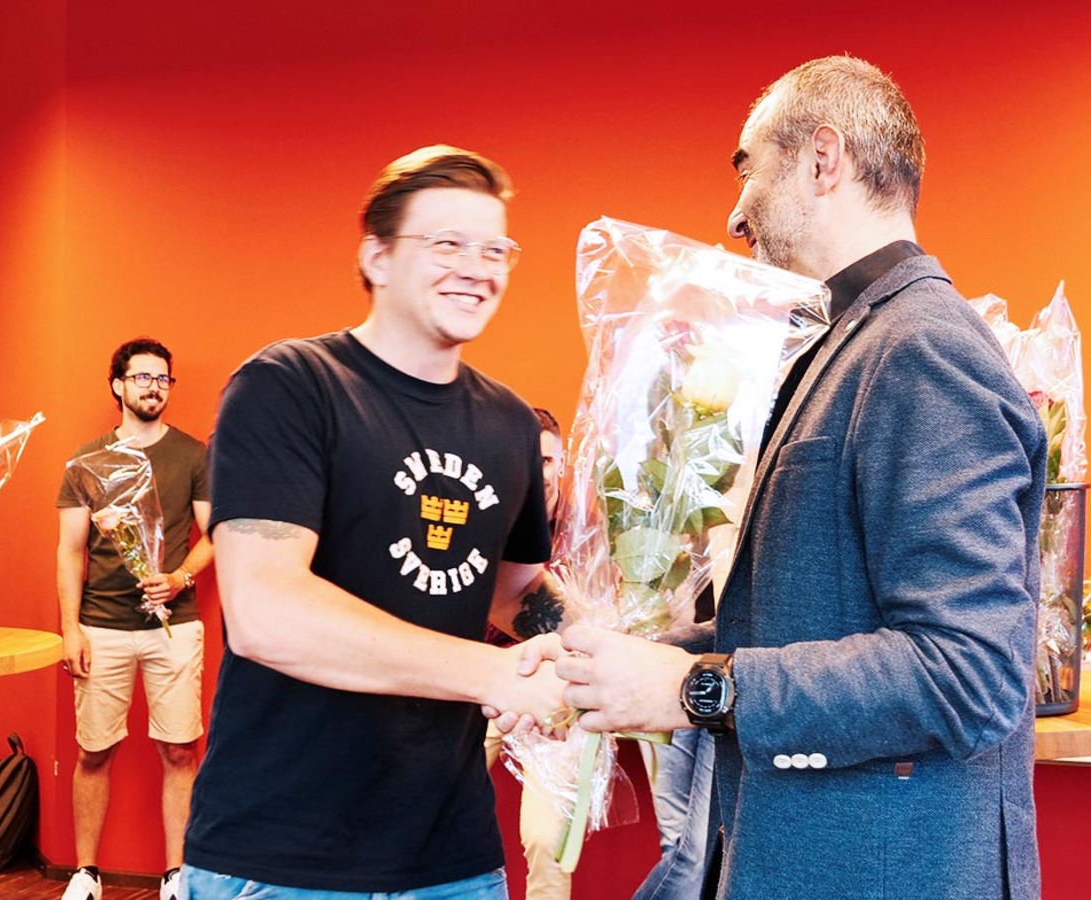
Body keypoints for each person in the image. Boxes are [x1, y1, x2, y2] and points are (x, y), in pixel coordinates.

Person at [541, 56, 1046, 899]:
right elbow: (804, 621)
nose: (735, 213)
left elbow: (970, 669)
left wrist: (698, 689)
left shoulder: (921, 348)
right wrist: (623, 664)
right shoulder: (856, 341)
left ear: (822, 158)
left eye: (747, 168)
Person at [182, 145, 568, 900]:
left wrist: (603, 652)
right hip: (281, 858)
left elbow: (514, 591)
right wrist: (492, 673)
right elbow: (264, 613)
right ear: (377, 258)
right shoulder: (289, 386)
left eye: (495, 250)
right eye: (448, 243)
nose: (477, 268)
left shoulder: (510, 422)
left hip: (453, 859)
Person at [57, 339, 213, 900]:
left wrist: (180, 578)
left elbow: (214, 534)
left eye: (163, 379)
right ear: (117, 385)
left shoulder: (193, 455)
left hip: (176, 626)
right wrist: (70, 629)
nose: (154, 387)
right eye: (142, 377)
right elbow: (70, 550)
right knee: (94, 751)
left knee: (179, 749)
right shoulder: (86, 459)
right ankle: (86, 873)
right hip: (101, 626)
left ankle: (176, 875)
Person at [483, 407, 573, 900]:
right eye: (526, 458)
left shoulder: (588, 529)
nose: (537, 470)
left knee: (545, 840)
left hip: (560, 694)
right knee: (419, 809)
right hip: (486, 686)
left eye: (546, 460)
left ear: (562, 462)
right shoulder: (487, 516)